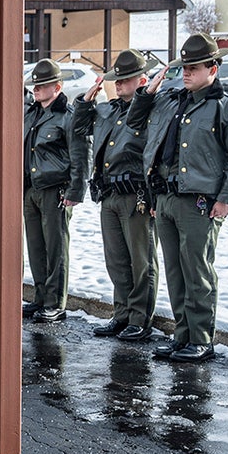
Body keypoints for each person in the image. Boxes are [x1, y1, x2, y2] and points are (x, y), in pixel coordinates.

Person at [127, 33, 228, 362]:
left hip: (200, 202)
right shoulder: (170, 100)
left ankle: (200, 339)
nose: (186, 73)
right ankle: (182, 335)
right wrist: (148, 91)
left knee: (197, 270)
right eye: (184, 67)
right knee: (175, 270)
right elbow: (134, 121)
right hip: (166, 198)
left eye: (194, 67)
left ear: (213, 68)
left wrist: (227, 198)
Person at [74, 50, 161, 341]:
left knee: (141, 260)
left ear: (142, 80)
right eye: (117, 79)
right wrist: (85, 102)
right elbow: (79, 129)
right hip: (110, 193)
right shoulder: (108, 110)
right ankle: (121, 314)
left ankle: (140, 319)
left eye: (126, 79)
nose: (120, 84)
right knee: (116, 260)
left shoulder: (151, 110)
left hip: (135, 194)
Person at [21, 59, 90, 323]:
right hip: (32, 188)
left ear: (57, 87)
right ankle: (40, 297)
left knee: (56, 247)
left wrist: (75, 190)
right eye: (34, 85)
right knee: (36, 246)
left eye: (42, 85)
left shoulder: (67, 116)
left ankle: (55, 302)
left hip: (55, 190)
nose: (36, 89)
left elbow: (81, 154)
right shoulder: (32, 113)